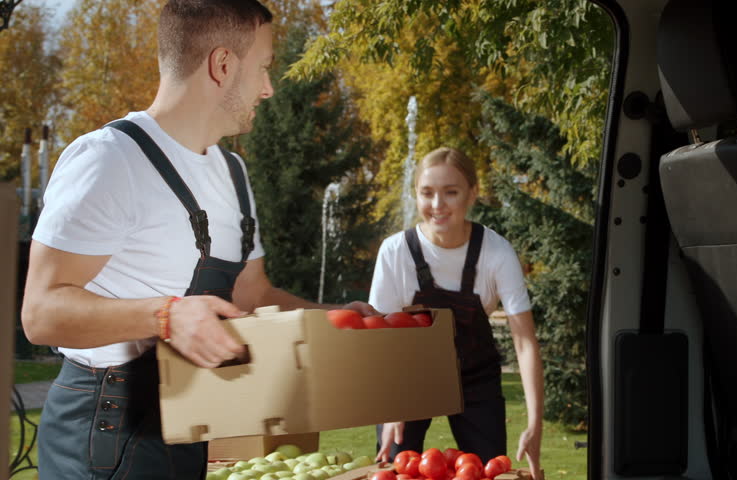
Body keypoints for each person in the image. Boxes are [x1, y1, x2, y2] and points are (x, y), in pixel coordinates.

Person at [20, 1, 375, 478]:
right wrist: (165, 316)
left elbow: (253, 295)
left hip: (189, 424)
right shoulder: (110, 159)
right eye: (264, 69)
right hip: (103, 429)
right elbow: (40, 314)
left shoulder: (233, 171)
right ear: (223, 65)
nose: (269, 88)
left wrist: (337, 319)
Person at [369, 147, 543, 479]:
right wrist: (392, 409)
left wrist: (535, 423)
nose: (437, 205)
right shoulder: (395, 252)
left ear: (472, 193)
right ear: (416, 194)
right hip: (409, 382)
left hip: (476, 380)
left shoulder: (497, 253)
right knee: (395, 469)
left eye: (451, 192)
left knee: (488, 472)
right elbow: (382, 341)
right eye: (427, 193)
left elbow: (525, 344)